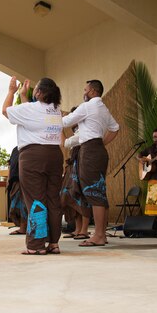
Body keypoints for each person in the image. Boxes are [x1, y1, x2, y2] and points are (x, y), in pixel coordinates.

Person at [3, 77, 64, 255]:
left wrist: (11, 92)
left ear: (38, 93)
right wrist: (24, 97)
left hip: (33, 157)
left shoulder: (30, 109)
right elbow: (33, 115)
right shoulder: (56, 110)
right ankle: (53, 243)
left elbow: (6, 111)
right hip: (54, 156)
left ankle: (36, 245)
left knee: (35, 200)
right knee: (53, 200)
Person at [62, 80, 120, 247]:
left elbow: (66, 122)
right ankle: (102, 234)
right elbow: (115, 128)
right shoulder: (103, 108)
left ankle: (99, 236)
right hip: (99, 150)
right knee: (99, 191)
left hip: (90, 150)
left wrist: (56, 117)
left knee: (92, 191)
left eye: (85, 89)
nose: (84, 92)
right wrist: (102, 142)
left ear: (93, 91)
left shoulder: (87, 106)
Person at [61, 122, 92, 240]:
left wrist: (59, 127)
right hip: (73, 168)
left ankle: (84, 229)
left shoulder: (83, 131)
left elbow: (66, 143)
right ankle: (77, 229)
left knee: (82, 197)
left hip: (81, 168)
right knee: (73, 197)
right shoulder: (76, 132)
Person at [6, 147, 26, 235]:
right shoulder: (14, 149)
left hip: (26, 179)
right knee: (14, 207)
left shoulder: (28, 146)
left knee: (24, 206)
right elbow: (10, 165)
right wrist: (8, 179)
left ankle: (24, 228)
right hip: (15, 180)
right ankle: (22, 227)